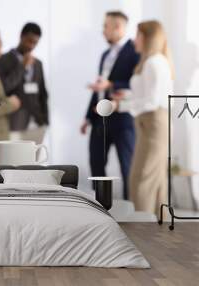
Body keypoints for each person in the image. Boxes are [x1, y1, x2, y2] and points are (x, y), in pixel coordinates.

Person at [112, 20, 173, 218]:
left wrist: (120, 106)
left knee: (141, 179)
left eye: (138, 35)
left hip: (154, 122)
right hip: (149, 122)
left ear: (147, 38)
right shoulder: (150, 61)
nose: (134, 39)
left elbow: (153, 101)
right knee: (154, 179)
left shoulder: (154, 62)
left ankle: (142, 226)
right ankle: (156, 227)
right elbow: (147, 96)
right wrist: (128, 96)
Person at [81, 11, 139, 200]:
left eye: (106, 26)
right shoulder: (105, 54)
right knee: (96, 163)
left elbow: (138, 85)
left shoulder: (134, 52)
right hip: (100, 119)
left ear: (117, 27)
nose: (103, 30)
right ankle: (99, 206)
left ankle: (132, 212)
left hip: (123, 119)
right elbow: (99, 88)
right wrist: (87, 118)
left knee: (127, 167)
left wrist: (112, 85)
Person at [0, 22, 49, 143]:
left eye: (35, 43)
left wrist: (45, 121)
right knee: (15, 161)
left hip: (37, 123)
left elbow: (43, 94)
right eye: (29, 41)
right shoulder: (2, 60)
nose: (32, 46)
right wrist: (22, 67)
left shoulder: (38, 63)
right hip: (14, 124)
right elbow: (3, 89)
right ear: (21, 36)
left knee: (36, 161)